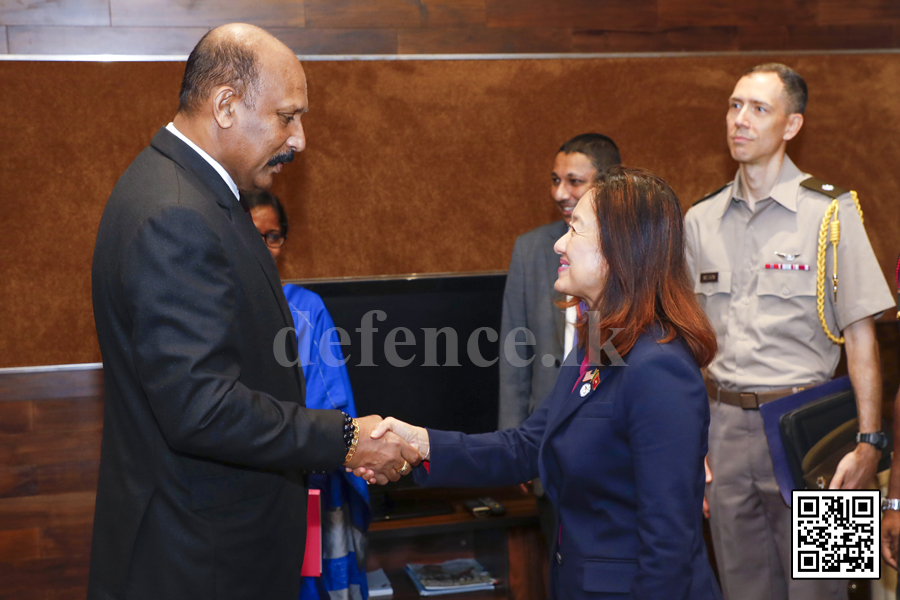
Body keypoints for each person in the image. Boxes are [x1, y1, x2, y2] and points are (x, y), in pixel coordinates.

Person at [89, 24, 417, 600]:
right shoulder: (176, 211)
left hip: (214, 545)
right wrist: (343, 439)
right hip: (198, 560)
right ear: (225, 105)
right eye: (287, 116)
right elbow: (202, 406)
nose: (300, 139)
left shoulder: (195, 191)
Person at [360, 166, 723, 599]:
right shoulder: (598, 342)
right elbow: (529, 446)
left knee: (817, 584)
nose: (559, 243)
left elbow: (669, 547)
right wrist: (421, 443)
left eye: (576, 230)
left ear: (620, 249)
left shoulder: (659, 367)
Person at [684, 63, 893, 600]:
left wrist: (870, 443)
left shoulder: (832, 212)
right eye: (734, 106)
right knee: (742, 588)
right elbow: (686, 345)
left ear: (792, 125)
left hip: (816, 429)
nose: (740, 121)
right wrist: (691, 441)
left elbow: (862, 337)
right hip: (724, 431)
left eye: (758, 109)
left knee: (825, 594)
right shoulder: (699, 220)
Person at [245, 190, 371, 600]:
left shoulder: (306, 310)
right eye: (250, 233)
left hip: (301, 489)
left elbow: (332, 409)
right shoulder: (208, 311)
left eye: (273, 236)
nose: (263, 248)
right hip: (234, 496)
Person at [498, 133, 621, 430]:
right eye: (555, 180)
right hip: (542, 427)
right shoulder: (531, 249)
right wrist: (512, 431)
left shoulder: (629, 250)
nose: (559, 193)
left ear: (608, 185)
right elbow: (515, 351)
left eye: (574, 181)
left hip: (605, 424)